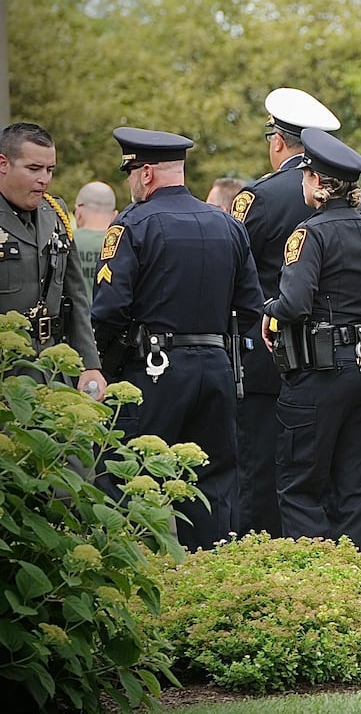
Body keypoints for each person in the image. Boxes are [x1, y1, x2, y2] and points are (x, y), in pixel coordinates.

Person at [92, 127, 264, 550]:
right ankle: (211, 587)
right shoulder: (227, 224)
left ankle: (134, 587)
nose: (130, 182)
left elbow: (109, 307)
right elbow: (251, 306)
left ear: (146, 173)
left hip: (153, 369)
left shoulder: (132, 224)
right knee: (213, 484)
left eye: (131, 172)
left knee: (132, 475)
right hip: (217, 368)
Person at [262, 129, 361, 552]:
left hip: (321, 369)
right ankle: (356, 585)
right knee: (356, 486)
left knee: (302, 483)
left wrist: (269, 310)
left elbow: (295, 304)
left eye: (306, 177)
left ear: (319, 185)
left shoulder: (309, 234)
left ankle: (317, 584)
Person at [229, 88, 342, 537]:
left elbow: (233, 267)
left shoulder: (256, 197)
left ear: (277, 140)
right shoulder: (348, 196)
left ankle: (259, 560)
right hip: (324, 352)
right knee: (316, 467)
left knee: (258, 463)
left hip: (264, 351)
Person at [0, 123, 105, 398]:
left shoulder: (55, 212)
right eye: (34, 169)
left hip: (53, 369)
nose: (44, 179)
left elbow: (77, 297)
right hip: (7, 370)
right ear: (3, 164)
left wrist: (90, 364)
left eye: (50, 170)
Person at [72, 180, 117, 301]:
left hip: (75, 318)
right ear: (115, 215)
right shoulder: (125, 243)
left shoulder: (67, 241)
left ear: (79, 210)